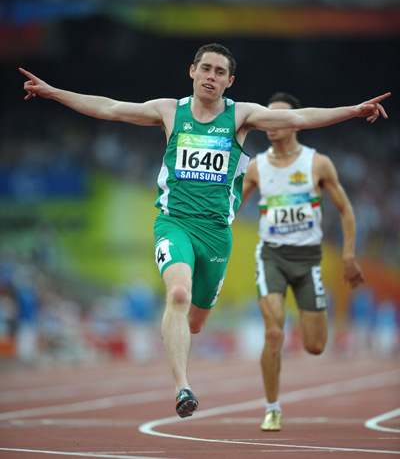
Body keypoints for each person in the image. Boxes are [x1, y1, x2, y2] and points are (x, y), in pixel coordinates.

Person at [19, 44, 389, 419]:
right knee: (178, 294)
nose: (211, 76)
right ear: (192, 71)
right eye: (205, 68)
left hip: (216, 234)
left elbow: (301, 118)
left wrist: (354, 110)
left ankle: (188, 331)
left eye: (219, 72)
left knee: (195, 322)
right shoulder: (169, 111)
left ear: (230, 81)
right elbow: (109, 107)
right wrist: (53, 92)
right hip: (174, 221)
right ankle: (182, 387)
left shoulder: (241, 116)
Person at [241, 91, 366, 432]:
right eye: (268, 118)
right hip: (272, 257)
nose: (271, 124)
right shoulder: (255, 167)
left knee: (314, 345)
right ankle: (272, 408)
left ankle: (302, 319)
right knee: (274, 330)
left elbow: (346, 210)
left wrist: (348, 254)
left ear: (294, 123)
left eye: (279, 118)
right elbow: (228, 211)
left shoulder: (317, 164)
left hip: (308, 259)